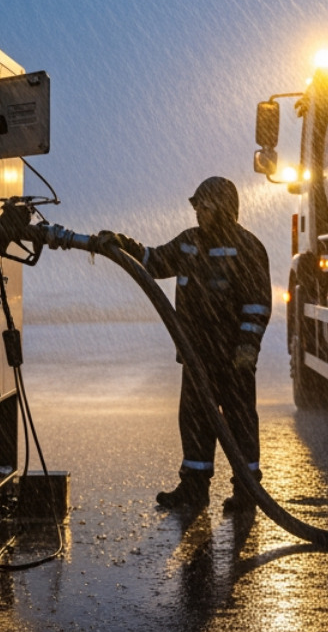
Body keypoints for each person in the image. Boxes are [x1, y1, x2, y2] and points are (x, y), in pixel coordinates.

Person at [96, 176, 271, 513]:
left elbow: (257, 304)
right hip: (197, 356)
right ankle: (194, 489)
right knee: (194, 420)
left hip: (233, 359)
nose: (199, 212)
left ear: (224, 209)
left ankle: (247, 490)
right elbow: (154, 260)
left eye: (205, 206)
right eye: (197, 207)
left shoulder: (248, 248)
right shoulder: (188, 243)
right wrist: (121, 245)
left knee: (239, 423)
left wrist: (247, 347)